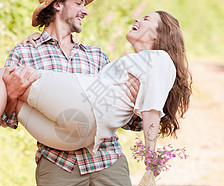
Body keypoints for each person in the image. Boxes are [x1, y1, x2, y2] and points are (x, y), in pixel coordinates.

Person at [1, 0, 142, 186]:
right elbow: (9, 117)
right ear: (58, 5)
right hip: (58, 164)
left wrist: (139, 103)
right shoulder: (24, 54)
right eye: (78, 3)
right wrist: (12, 93)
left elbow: (124, 118)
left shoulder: (97, 56)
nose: (85, 10)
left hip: (107, 161)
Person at [1, 10, 192, 165]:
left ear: (159, 33)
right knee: (17, 97)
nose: (137, 18)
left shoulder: (159, 59)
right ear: (57, 7)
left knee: (4, 74)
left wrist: (151, 157)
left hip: (88, 114)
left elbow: (152, 110)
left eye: (147, 19)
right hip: (78, 139)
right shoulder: (137, 64)